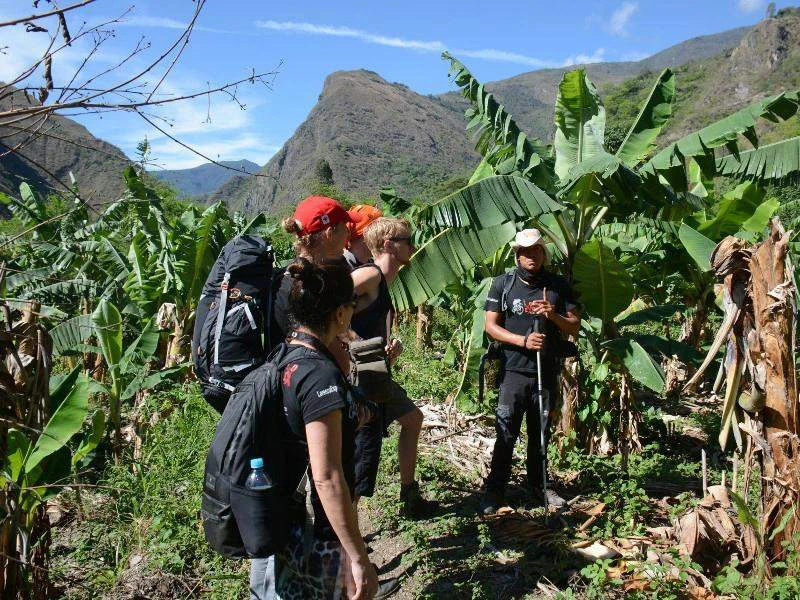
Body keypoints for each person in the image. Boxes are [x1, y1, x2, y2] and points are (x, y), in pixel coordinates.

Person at [250, 259, 378, 600]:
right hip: (309, 532)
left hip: (279, 514)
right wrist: (358, 556)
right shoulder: (319, 374)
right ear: (338, 314)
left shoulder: (285, 353)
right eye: (351, 306)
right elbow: (327, 476)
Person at [479, 228, 581, 515]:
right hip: (513, 370)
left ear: (543, 252)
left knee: (541, 433)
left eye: (536, 250)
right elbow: (491, 325)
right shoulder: (503, 284)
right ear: (517, 255)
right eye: (525, 251)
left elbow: (574, 326)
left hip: (546, 370)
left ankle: (540, 486)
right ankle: (495, 490)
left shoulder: (558, 286)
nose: (531, 256)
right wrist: (522, 341)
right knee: (506, 432)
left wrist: (552, 315)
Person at [350, 217, 438, 518]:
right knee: (361, 451)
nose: (412, 246)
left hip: (375, 373)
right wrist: (359, 344)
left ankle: (408, 493)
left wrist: (385, 350)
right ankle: (345, 538)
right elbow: (330, 306)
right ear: (388, 244)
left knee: (413, 419)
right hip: (358, 379)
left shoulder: (384, 282)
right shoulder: (370, 275)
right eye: (407, 241)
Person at [344, 204, 383, 269]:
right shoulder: (343, 266)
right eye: (381, 231)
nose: (385, 237)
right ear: (365, 234)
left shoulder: (372, 264)